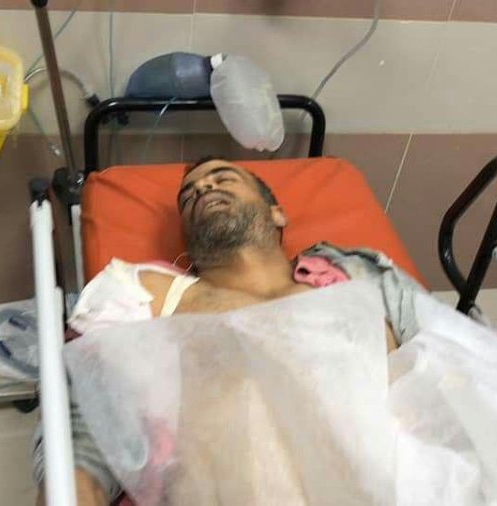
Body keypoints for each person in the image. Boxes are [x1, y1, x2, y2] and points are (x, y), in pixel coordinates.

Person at [35, 157, 421, 505]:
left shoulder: (359, 273)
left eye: (223, 178)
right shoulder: (149, 293)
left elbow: (444, 363)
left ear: (277, 213)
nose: (204, 187)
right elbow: (89, 419)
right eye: (189, 196)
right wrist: (74, 489)